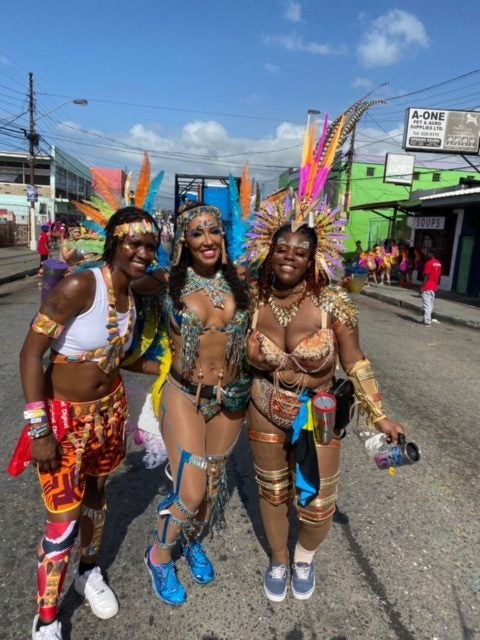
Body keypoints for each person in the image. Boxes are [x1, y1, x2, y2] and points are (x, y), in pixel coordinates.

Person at [243, 199, 406, 603]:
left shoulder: (334, 305)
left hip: (319, 411)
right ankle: (279, 559)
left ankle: (303, 558)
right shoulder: (252, 300)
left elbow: (355, 361)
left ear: (314, 258)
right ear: (268, 250)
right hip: (264, 405)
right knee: (273, 492)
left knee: (319, 503)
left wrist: (380, 416)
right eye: (282, 248)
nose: (290, 257)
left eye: (300, 251)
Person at [18, 207, 160, 639]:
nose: (142, 253)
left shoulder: (133, 290)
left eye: (150, 246)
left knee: (97, 499)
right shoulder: (82, 285)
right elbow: (30, 353)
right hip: (63, 421)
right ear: (114, 242)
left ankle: (88, 571)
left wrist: (175, 370)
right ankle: (46, 620)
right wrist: (39, 430)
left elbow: (117, 356)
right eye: (134, 243)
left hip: (109, 414)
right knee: (63, 522)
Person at [144, 202, 251, 607]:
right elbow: (119, 283)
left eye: (213, 230)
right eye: (196, 232)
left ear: (223, 235)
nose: (207, 239)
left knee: (212, 484)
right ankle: (159, 557)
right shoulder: (165, 283)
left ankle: (190, 542)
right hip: (185, 395)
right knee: (190, 490)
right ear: (183, 242)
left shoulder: (241, 280)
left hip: (229, 399)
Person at [420, 249, 442, 326]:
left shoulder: (429, 263)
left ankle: (427, 321)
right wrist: (437, 285)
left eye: (428, 253)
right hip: (433, 286)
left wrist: (422, 287)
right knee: (430, 304)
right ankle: (425, 319)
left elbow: (426, 276)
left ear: (432, 254)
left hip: (428, 286)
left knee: (427, 305)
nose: (426, 255)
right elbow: (439, 276)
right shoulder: (438, 263)